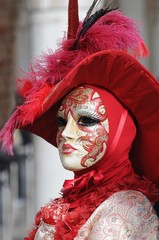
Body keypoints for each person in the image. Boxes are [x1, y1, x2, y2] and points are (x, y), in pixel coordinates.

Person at [0, 0, 159, 239]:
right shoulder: (68, 204)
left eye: (86, 120)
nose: (65, 134)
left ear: (120, 133)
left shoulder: (126, 211)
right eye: (62, 122)